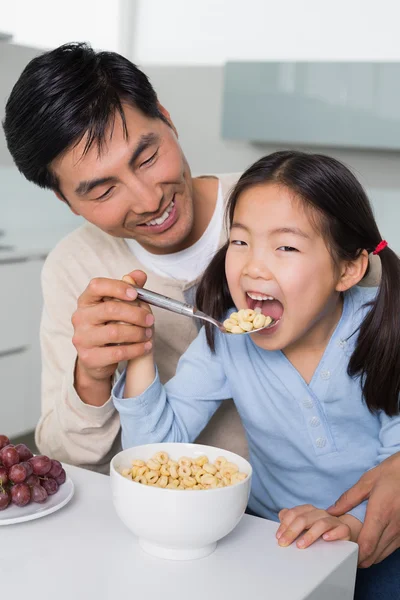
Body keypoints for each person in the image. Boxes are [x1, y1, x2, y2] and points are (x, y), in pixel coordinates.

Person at [2, 43, 399, 567]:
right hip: (224, 532)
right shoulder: (84, 271)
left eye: (146, 156)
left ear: (166, 118)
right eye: (102, 191)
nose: (148, 200)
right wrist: (100, 373)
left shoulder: (281, 201)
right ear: (66, 200)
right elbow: (80, 458)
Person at [111, 151, 400, 598]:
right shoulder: (227, 339)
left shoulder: (383, 331)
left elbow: (395, 465)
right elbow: (154, 452)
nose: (253, 267)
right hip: (272, 537)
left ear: (348, 268)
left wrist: (348, 525)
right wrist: (137, 347)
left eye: (285, 246)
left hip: (380, 532)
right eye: (241, 242)